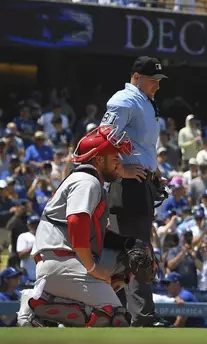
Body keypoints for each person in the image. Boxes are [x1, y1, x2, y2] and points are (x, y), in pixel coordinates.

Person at [16, 125, 133, 327]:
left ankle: (44, 299)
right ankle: (39, 303)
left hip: (58, 262)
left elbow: (89, 229)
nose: (118, 162)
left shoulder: (86, 180)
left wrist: (129, 243)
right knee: (115, 319)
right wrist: (93, 268)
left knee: (126, 261)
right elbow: (76, 222)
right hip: (64, 261)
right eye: (114, 157)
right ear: (98, 159)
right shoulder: (87, 181)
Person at [101, 56, 167, 327]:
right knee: (136, 251)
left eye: (159, 81)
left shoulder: (145, 103)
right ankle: (141, 317)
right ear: (136, 77)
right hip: (127, 185)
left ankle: (122, 314)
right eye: (153, 80)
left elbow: (142, 147)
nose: (157, 86)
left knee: (132, 251)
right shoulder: (124, 100)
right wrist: (121, 171)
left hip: (141, 184)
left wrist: (155, 172)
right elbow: (104, 138)